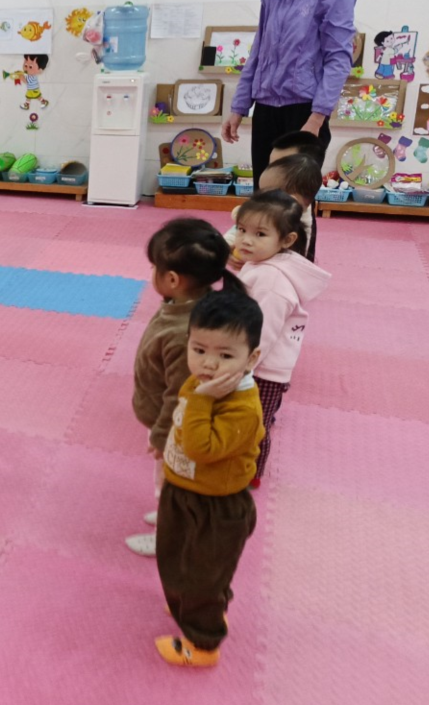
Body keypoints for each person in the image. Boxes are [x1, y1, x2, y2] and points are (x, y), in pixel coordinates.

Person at [155, 291, 266, 668]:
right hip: (182, 490)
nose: (209, 364)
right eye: (199, 350)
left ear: (251, 358)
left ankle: (202, 645)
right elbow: (183, 419)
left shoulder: (242, 407)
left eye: (225, 356)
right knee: (173, 558)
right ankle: (191, 605)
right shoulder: (201, 383)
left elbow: (202, 448)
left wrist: (202, 399)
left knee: (205, 575)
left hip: (218, 507)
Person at [126, 218, 245, 557]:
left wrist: (163, 435)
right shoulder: (181, 304)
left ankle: (170, 535)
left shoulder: (185, 333)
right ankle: (170, 517)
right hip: (168, 419)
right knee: (167, 479)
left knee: (171, 481)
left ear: (173, 280)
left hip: (176, 428)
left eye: (155, 267)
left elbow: (180, 394)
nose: (152, 272)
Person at [222, 0, 356, 183]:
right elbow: (257, 54)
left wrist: (317, 118)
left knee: (295, 195)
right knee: (264, 191)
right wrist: (238, 109)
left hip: (305, 109)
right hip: (265, 108)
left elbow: (338, 60)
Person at [233, 191, 330, 486]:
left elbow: (263, 331)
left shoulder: (271, 280)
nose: (246, 240)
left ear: (286, 240)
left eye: (260, 234)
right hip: (255, 361)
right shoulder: (261, 263)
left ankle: (250, 475)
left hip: (262, 369)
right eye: (241, 230)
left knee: (254, 424)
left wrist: (240, 369)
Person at [226, 152, 324, 267]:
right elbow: (240, 230)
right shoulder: (281, 211)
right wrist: (227, 248)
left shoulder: (290, 221)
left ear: (289, 200)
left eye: (267, 194)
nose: (260, 198)